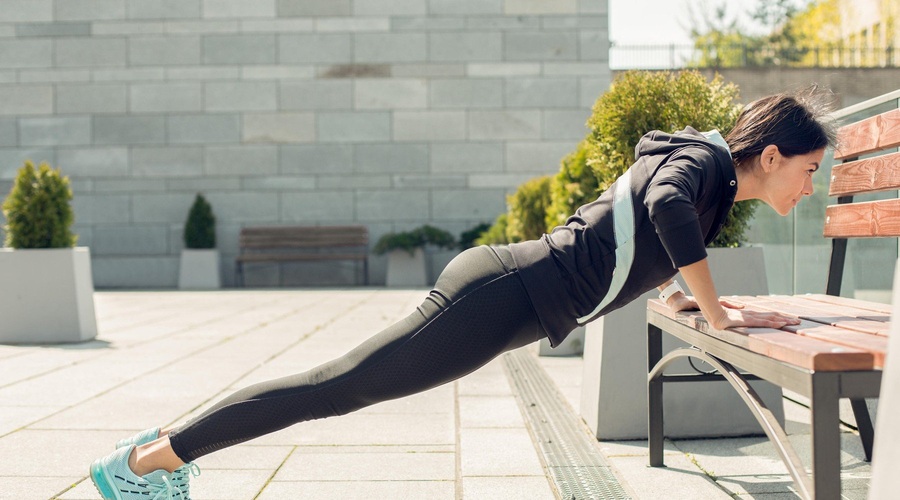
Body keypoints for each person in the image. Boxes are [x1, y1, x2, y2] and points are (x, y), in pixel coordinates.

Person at [89, 87, 836, 499]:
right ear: (770, 154)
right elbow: (664, 210)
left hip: (506, 292)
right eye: (808, 170)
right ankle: (146, 463)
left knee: (339, 385)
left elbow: (638, 245)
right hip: (501, 295)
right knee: (336, 387)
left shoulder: (706, 175)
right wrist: (716, 307)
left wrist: (691, 300)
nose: (809, 187)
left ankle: (154, 455)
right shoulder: (700, 170)